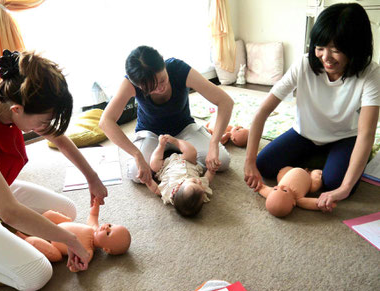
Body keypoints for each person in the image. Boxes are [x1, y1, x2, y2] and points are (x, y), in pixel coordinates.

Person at [0, 50, 108, 291]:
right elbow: (10, 211)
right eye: (43, 121)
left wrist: (93, 178)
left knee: (68, 211)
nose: (47, 127)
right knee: (36, 274)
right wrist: (70, 240)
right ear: (17, 110)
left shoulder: (10, 98)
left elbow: (59, 137)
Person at [244, 3, 379, 212]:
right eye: (320, 47)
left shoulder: (370, 73)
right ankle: (316, 165)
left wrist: (343, 189)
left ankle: (324, 164)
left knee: (338, 184)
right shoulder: (304, 64)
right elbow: (263, 111)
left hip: (345, 136)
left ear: (356, 49)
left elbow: (366, 134)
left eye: (336, 50)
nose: (326, 57)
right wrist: (249, 161)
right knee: (263, 166)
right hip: (304, 133)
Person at [99, 45, 233, 186]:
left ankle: (172, 157)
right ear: (137, 85)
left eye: (162, 80)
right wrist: (136, 155)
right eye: (151, 88)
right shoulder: (130, 83)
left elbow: (225, 102)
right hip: (151, 133)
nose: (160, 88)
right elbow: (105, 122)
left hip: (184, 128)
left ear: (163, 62)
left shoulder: (178, 69)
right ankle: (174, 158)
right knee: (136, 174)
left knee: (222, 161)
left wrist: (213, 144)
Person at [17, 200, 131, 271]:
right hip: (57, 225)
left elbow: (76, 266)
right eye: (110, 225)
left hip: (54, 244)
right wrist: (96, 204)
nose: (106, 227)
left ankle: (24, 237)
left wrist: (75, 267)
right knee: (52, 215)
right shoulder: (93, 229)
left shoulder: (87, 252)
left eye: (108, 233)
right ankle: (35, 222)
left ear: (106, 249)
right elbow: (93, 215)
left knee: (52, 253)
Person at [146, 135, 214, 217]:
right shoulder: (200, 190)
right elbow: (207, 179)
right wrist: (211, 171)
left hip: (166, 166)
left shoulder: (169, 192)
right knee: (192, 152)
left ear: (178, 187)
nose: (199, 181)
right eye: (199, 184)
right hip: (188, 161)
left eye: (194, 181)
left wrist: (148, 180)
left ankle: (161, 145)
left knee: (154, 164)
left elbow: (156, 189)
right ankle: (176, 141)